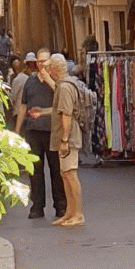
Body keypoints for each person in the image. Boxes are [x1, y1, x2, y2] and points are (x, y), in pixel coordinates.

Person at [16, 47, 65, 220]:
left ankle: (60, 206)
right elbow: (23, 106)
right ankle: (37, 206)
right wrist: (17, 130)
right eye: (39, 61)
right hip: (33, 131)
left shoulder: (57, 81)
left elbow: (61, 100)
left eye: (45, 61)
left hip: (52, 131)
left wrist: (49, 80)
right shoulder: (29, 81)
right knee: (35, 171)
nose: (42, 64)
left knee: (56, 170)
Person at [49, 54, 84, 227]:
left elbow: (66, 114)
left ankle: (78, 214)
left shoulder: (64, 88)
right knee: (65, 174)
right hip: (66, 137)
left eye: (50, 66)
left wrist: (64, 139)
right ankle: (70, 212)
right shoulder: (63, 85)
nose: (48, 70)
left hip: (68, 138)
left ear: (56, 68)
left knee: (70, 174)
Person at [9, 51, 37, 125]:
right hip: (20, 114)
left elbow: (12, 98)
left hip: (32, 115)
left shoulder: (37, 78)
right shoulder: (19, 79)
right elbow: (13, 98)